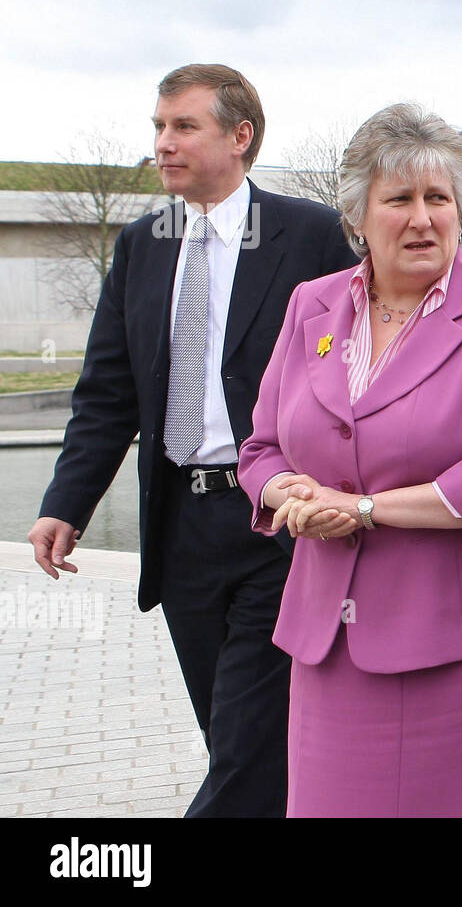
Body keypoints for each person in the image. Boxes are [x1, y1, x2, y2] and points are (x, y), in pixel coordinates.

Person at [29, 64, 357, 817]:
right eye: (157, 127)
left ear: (239, 137)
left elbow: (359, 365)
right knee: (233, 737)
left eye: (183, 127)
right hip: (181, 530)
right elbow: (107, 394)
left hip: (278, 523)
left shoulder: (306, 234)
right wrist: (66, 505)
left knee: (245, 747)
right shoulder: (141, 244)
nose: (163, 144)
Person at [238, 102, 462, 817]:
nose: (422, 218)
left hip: (461, 645)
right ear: (357, 216)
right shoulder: (311, 307)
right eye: (400, 199)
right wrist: (283, 489)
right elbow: (260, 446)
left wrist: (358, 509)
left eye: (438, 198)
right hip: (330, 645)